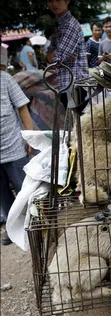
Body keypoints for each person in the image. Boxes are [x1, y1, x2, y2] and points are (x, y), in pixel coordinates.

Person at [0, 47, 33, 245]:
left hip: (13, 146)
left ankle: (33, 225)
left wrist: (29, 137)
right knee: (3, 194)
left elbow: (23, 108)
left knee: (25, 189)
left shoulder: (5, 79)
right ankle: (13, 229)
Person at [46, 0, 88, 111]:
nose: (54, 4)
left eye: (58, 0)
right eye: (51, 0)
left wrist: (57, 56)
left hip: (74, 85)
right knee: (72, 123)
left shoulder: (70, 25)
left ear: (67, 1)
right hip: (66, 84)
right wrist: (57, 55)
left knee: (77, 123)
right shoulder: (59, 25)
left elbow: (56, 58)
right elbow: (49, 57)